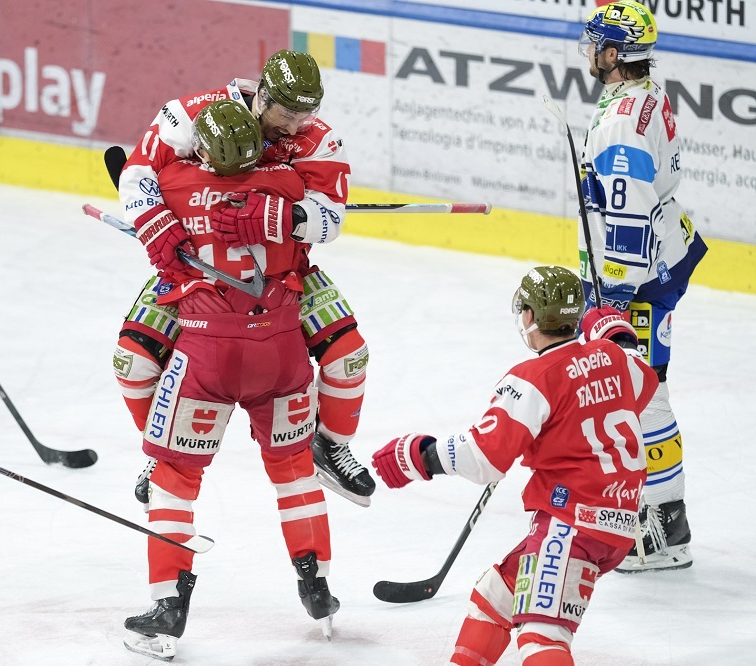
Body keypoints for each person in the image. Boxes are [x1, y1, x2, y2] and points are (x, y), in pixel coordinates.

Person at [122, 100, 339, 661]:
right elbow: (322, 216)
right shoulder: (290, 184)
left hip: (207, 358)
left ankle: (169, 602)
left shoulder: (173, 182)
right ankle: (317, 583)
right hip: (284, 353)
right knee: (294, 468)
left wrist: (158, 227)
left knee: (174, 476)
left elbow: (138, 178)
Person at [115, 49, 374, 507]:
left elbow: (329, 219)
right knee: (132, 362)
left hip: (283, 276)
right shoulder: (191, 115)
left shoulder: (318, 140)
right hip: (195, 270)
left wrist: (283, 215)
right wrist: (155, 221)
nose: (295, 127)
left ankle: (329, 443)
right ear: (265, 95)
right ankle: (163, 448)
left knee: (348, 356)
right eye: (287, 113)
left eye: (306, 114)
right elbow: (137, 172)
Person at [372, 266, 659, 665]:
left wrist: (417, 456)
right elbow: (642, 378)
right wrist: (615, 330)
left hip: (571, 521)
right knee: (495, 595)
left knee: (542, 635)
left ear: (529, 316)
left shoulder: (533, 377)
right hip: (618, 524)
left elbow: (484, 457)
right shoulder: (612, 358)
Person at [577, 1, 706, 572]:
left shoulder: (619, 120)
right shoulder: (643, 95)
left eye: (595, 44)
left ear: (613, 53)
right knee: (643, 388)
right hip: (662, 257)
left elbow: (627, 215)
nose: (589, 53)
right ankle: (655, 512)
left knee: (645, 392)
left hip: (640, 277)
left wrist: (616, 299)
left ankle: (662, 527)